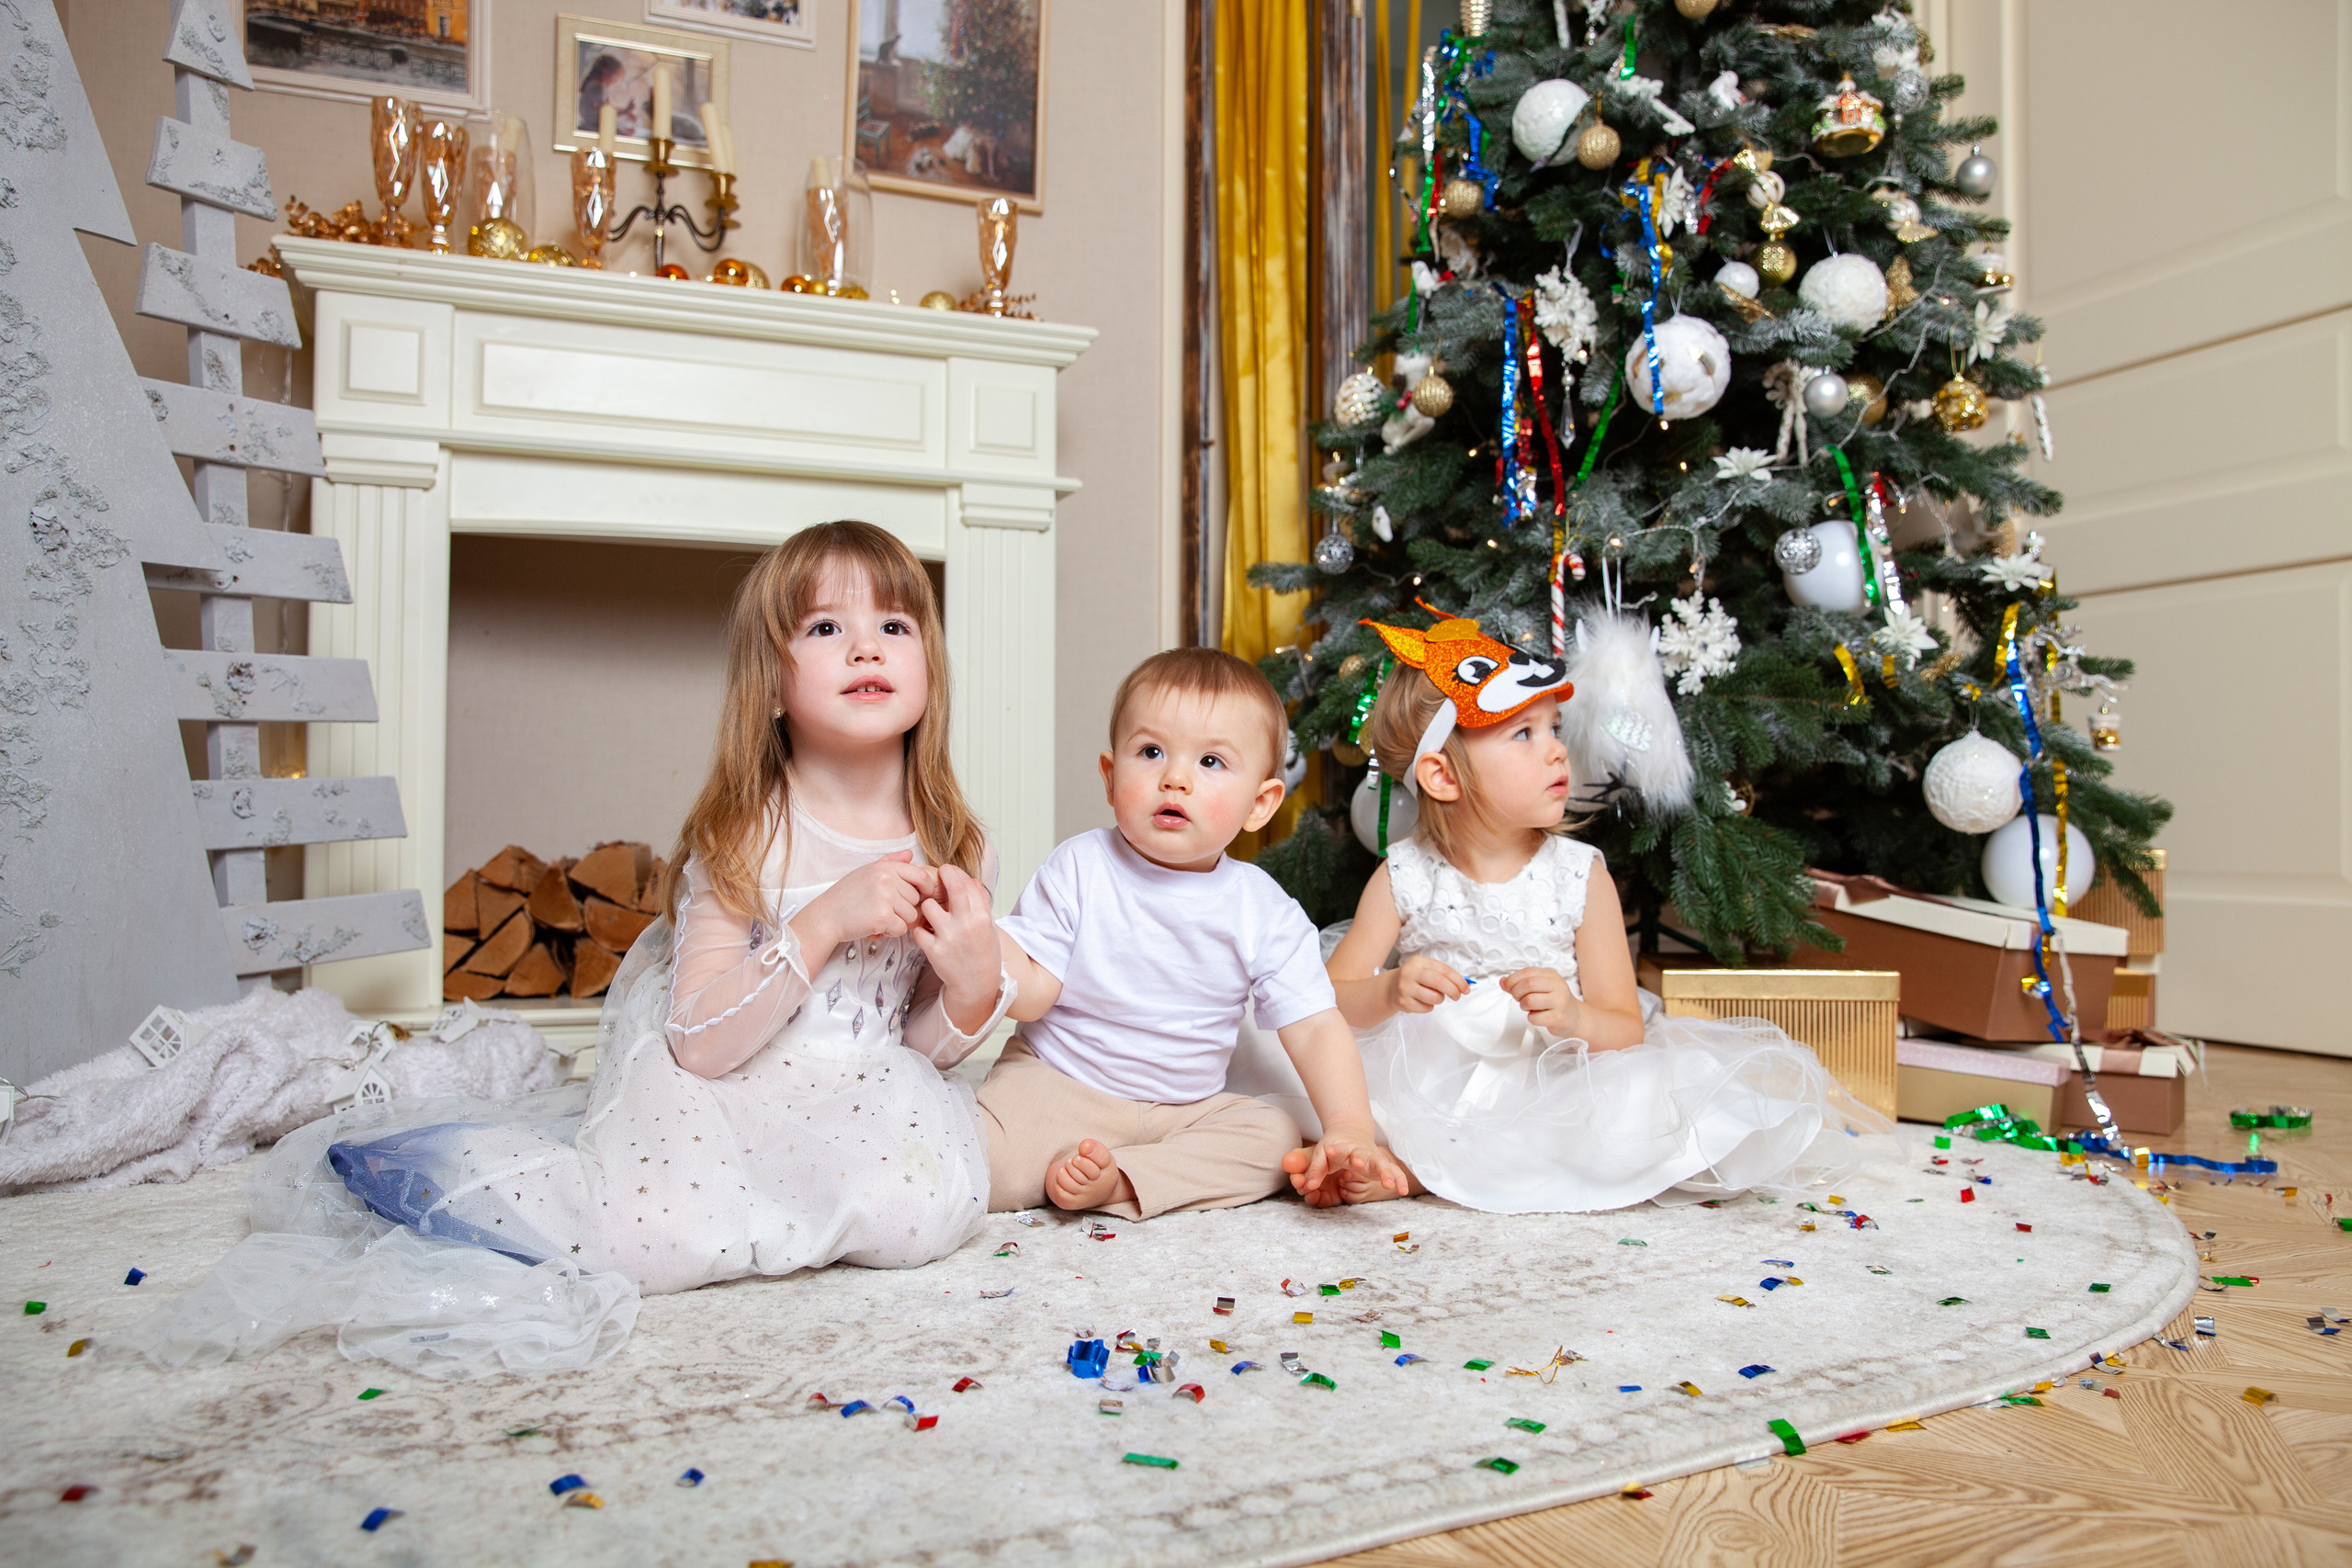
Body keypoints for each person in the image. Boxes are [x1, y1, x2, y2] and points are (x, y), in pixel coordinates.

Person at [326, 521, 1014, 1292]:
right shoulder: (745, 836)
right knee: (655, 1237)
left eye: (894, 625)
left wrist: (970, 988)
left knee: (918, 1212)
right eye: (826, 627)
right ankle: (441, 1166)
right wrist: (825, 920)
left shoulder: (959, 845)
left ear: (930, 668)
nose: (866, 649)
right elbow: (697, 1045)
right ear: (771, 685)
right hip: (722, 1081)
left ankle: (790, 1199)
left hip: (857, 1090)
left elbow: (912, 1049)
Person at [1290, 613, 1895, 1213]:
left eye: (1553, 728)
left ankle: (1421, 1168)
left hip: (1551, 1074)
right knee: (1321, 1086)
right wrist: (1390, 989)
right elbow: (1330, 999)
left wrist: (1573, 1015)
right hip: (1433, 1075)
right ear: (1443, 776)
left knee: (1617, 1116)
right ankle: (1407, 1155)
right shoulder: (1405, 875)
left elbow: (1625, 1028)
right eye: (1523, 735)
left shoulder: (1579, 875)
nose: (1558, 750)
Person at [978, 649, 1408, 1220]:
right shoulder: (1080, 867)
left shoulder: (1262, 909)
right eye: (1151, 752)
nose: (1174, 778)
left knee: (1273, 1138)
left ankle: (1123, 1181)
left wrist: (1349, 1127)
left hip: (1181, 1111)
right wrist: (980, 939)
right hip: (1059, 1082)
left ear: (1260, 804)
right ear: (1111, 776)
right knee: (981, 1168)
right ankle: (1084, 1166)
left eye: (1210, 761)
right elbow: (1031, 994)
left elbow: (1314, 1027)